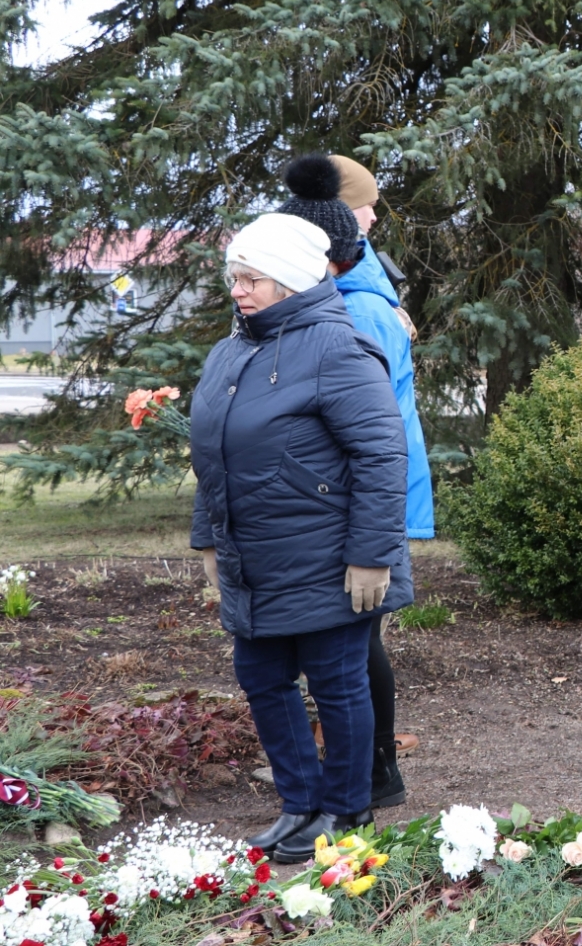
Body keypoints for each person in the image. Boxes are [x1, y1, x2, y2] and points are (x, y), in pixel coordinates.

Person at [191, 212, 412, 863]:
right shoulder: (232, 350)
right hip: (256, 558)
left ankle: (348, 813)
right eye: (235, 277)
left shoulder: (336, 347)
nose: (240, 289)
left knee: (339, 684)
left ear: (288, 280)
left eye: (252, 277)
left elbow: (381, 453)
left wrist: (373, 555)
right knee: (260, 676)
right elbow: (212, 451)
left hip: (327, 558)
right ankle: (301, 805)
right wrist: (208, 538)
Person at [276, 153, 433, 811]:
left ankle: (375, 770)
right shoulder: (354, 296)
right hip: (348, 498)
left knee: (357, 639)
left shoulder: (361, 309)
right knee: (350, 638)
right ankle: (363, 761)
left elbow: (375, 430)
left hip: (363, 500)